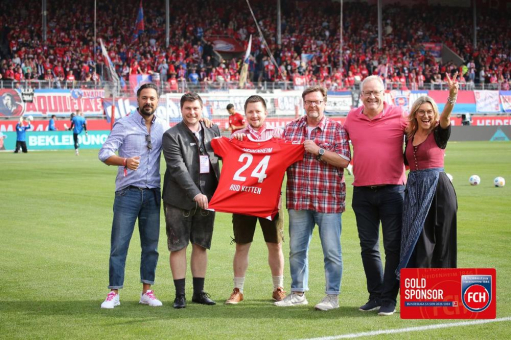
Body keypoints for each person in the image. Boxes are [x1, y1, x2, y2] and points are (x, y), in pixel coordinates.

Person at [275, 86, 351, 311]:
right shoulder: (290, 129)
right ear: (303, 103)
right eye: (308, 101)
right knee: (297, 250)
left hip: (328, 200)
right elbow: (278, 158)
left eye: (317, 101)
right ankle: (298, 293)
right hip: (299, 199)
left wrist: (318, 151)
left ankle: (332, 297)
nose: (313, 105)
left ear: (324, 103)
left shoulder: (336, 129)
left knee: (332, 251)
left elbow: (345, 161)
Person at [343, 75, 408, 316]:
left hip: (393, 191)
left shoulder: (400, 115)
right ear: (361, 95)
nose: (372, 96)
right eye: (367, 92)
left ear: (384, 93)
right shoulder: (351, 118)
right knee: (368, 247)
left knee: (393, 246)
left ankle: (390, 298)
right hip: (362, 192)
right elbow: (338, 145)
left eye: (376, 92)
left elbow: (420, 138)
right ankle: (376, 295)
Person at [98, 83, 165, 309]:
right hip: (128, 193)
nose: (148, 102)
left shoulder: (162, 127)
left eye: (152, 98)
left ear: (158, 101)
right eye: (144, 98)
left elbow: (183, 138)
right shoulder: (124, 124)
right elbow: (104, 153)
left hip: (153, 194)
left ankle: (147, 291)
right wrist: (124, 161)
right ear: (137, 100)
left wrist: (204, 121)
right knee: (119, 244)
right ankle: (114, 292)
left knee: (151, 247)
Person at [224, 95, 286, 305]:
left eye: (258, 111)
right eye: (250, 111)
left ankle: (278, 287)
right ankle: (238, 289)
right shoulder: (238, 136)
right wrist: (235, 142)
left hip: (270, 201)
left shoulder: (279, 134)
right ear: (245, 113)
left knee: (275, 245)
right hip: (243, 200)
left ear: (265, 112)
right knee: (242, 246)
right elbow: (219, 148)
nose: (254, 115)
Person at [162, 92, 221, 309]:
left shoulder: (213, 131)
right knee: (178, 246)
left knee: (201, 245)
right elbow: (177, 169)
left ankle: (199, 292)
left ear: (202, 108)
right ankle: (180, 295)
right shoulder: (171, 135)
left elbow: (227, 157)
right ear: (181, 109)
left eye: (195, 108)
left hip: (209, 198)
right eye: (188, 108)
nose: (192, 112)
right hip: (178, 200)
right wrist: (195, 193)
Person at [398, 73, 458, 272]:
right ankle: (420, 291)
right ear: (415, 113)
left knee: (442, 240)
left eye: (429, 112)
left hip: (438, 189)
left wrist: (452, 95)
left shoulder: (439, 132)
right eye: (421, 112)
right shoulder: (409, 135)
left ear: (434, 114)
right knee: (417, 239)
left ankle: (444, 292)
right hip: (415, 191)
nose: (426, 116)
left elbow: (446, 116)